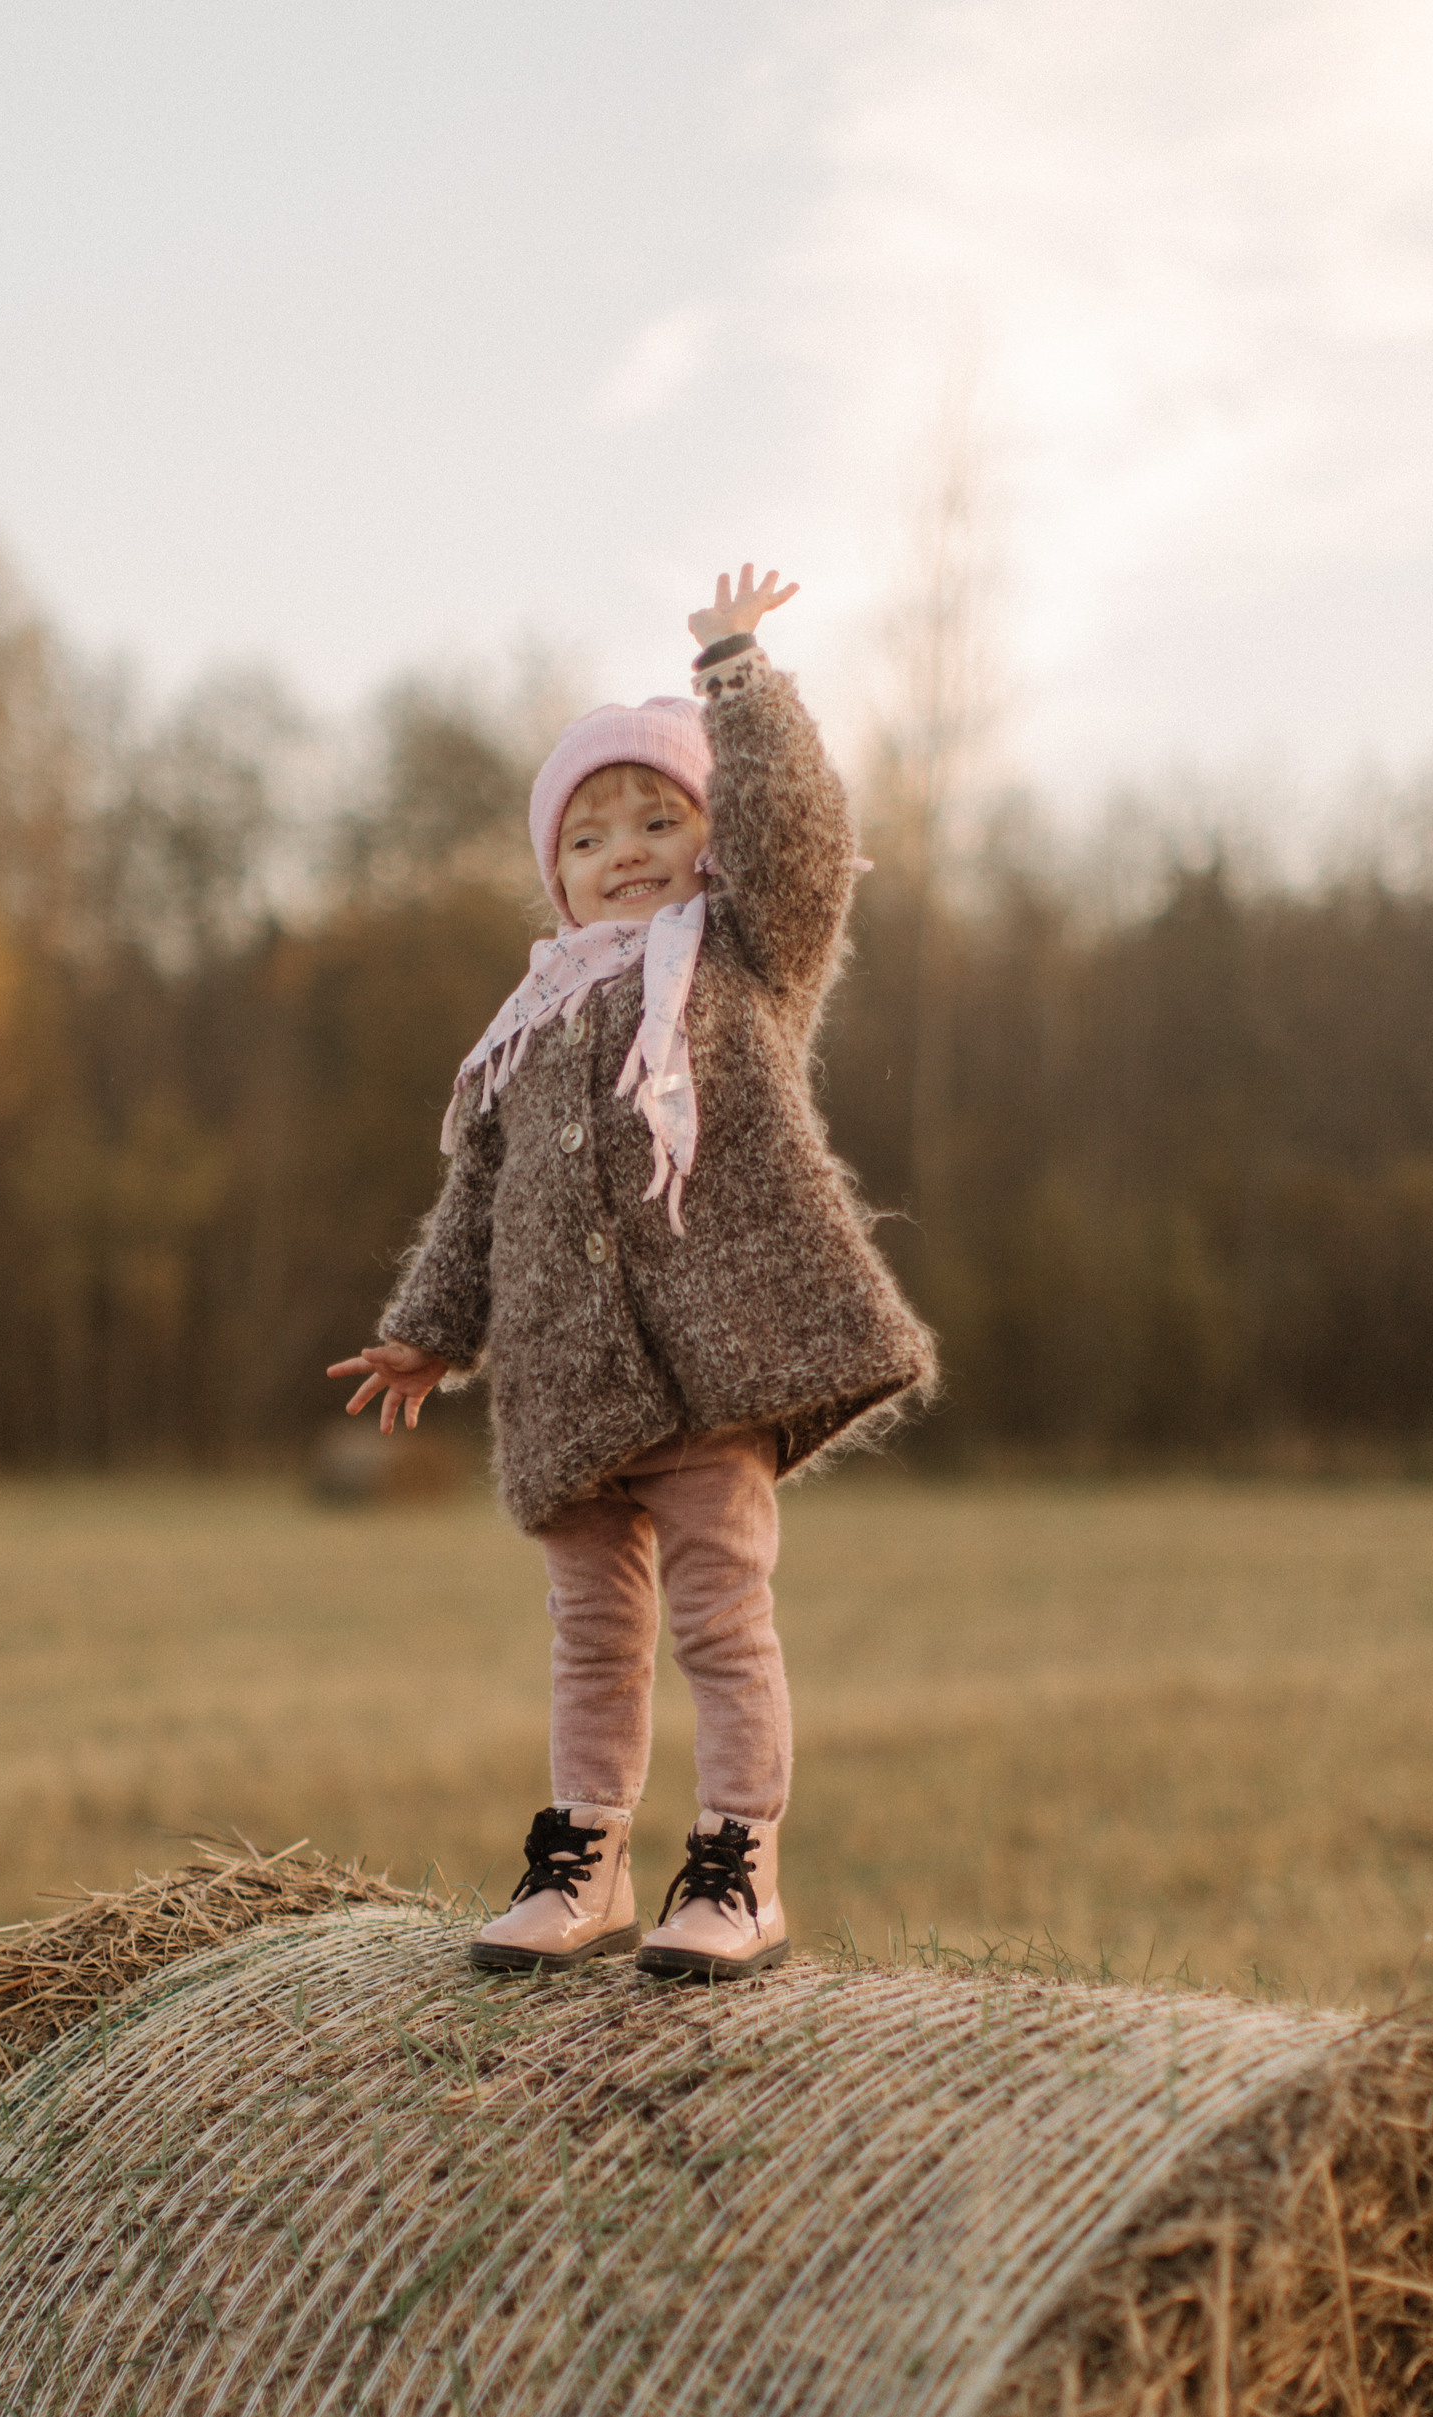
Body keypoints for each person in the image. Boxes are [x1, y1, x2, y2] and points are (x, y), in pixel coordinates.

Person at [329, 565, 937, 1979]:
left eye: (663, 819)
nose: (628, 849)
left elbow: (800, 835)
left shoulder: (735, 962)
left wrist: (739, 676)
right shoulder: (528, 1028)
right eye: (592, 833)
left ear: (706, 847)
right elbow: (479, 1196)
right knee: (591, 1641)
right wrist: (428, 1330)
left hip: (710, 1370)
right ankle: (587, 1861)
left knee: (724, 1623)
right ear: (555, 871)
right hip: (568, 1397)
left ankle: (737, 1866)